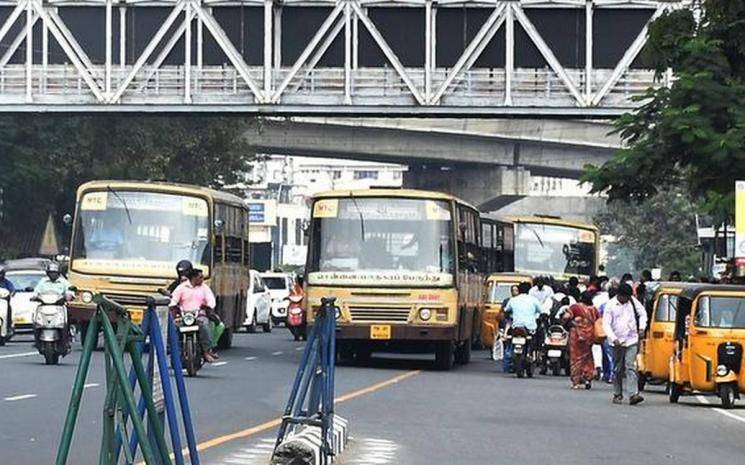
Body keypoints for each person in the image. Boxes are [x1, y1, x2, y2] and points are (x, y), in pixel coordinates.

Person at [603, 282, 648, 405]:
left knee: (630, 366)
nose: (626, 300)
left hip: (631, 339)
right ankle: (617, 394)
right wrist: (613, 338)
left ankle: (633, 394)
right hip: (617, 342)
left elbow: (642, 313)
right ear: (619, 295)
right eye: (624, 298)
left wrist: (642, 328)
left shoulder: (632, 302)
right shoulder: (610, 305)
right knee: (618, 369)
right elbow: (606, 324)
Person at [170, 268, 219, 363]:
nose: (202, 279)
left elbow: (211, 299)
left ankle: (207, 351)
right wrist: (172, 305)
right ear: (194, 278)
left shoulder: (204, 288)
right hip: (185, 316)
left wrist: (209, 305)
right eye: (200, 277)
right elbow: (174, 299)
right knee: (174, 328)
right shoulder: (182, 287)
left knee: (204, 326)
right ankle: (174, 352)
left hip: (199, 315)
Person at [563, 291, 599, 389]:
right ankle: (587, 377)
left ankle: (576, 381)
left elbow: (566, 317)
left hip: (577, 336)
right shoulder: (594, 310)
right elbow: (597, 321)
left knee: (576, 358)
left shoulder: (575, 307)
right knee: (587, 357)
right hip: (589, 337)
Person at [496, 285, 520, 366]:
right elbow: (503, 312)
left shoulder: (521, 301)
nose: (514, 292)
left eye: (516, 290)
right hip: (508, 325)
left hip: (518, 324)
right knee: (507, 344)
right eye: (513, 290)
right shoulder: (507, 301)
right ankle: (507, 364)